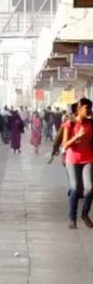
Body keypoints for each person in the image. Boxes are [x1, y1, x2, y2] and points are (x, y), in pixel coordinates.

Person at [61, 98, 93, 229]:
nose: (90, 111)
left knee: (89, 189)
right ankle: (72, 218)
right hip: (72, 159)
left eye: (91, 108)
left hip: (88, 159)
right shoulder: (70, 124)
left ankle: (85, 214)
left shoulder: (91, 123)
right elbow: (65, 144)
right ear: (79, 109)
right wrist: (77, 137)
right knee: (74, 188)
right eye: (87, 108)